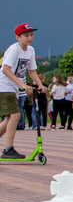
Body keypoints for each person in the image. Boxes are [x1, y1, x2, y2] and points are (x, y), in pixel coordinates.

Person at [1, 23, 46, 158]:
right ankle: (8, 149)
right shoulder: (14, 50)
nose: (30, 38)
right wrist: (23, 84)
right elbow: (6, 70)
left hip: (14, 88)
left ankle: (8, 149)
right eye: (26, 35)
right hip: (4, 86)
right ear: (18, 37)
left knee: (8, 119)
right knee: (15, 115)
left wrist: (40, 85)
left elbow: (32, 70)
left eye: (31, 35)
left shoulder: (30, 50)